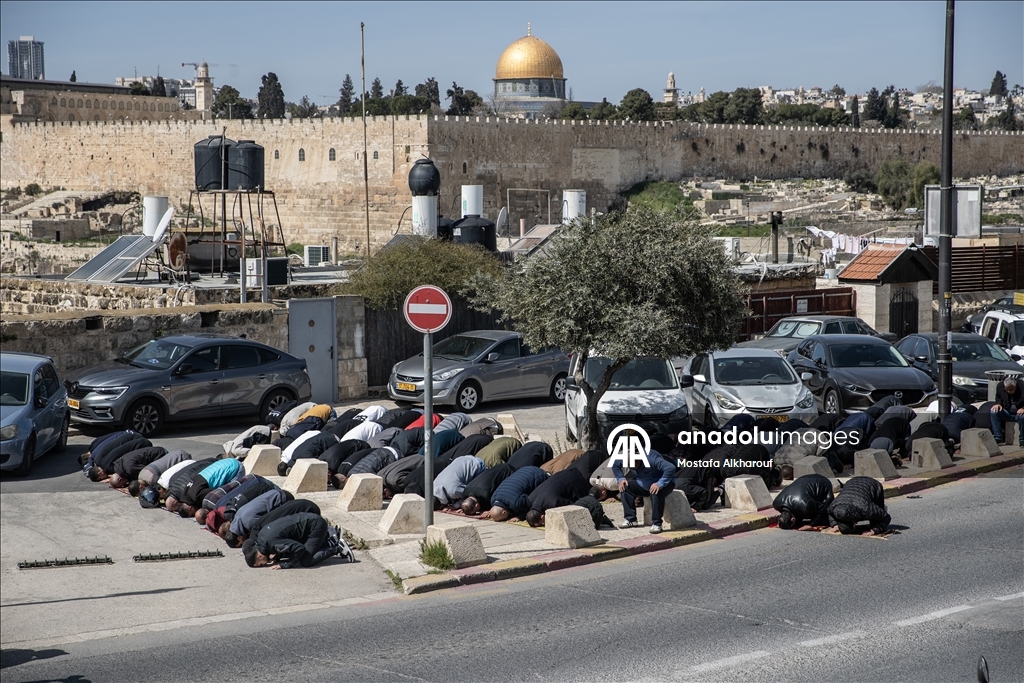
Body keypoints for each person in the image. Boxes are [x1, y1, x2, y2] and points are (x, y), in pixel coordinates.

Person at [244, 512, 352, 568]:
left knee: (306, 561)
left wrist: (286, 564)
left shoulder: (271, 543)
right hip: (308, 521)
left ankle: (339, 548)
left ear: (259, 555)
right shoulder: (262, 537)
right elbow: (284, 542)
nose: (265, 564)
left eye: (262, 564)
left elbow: (299, 548)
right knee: (296, 553)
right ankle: (331, 541)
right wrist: (279, 556)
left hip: (315, 526)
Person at [612, 447, 678, 533]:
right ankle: (631, 519)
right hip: (643, 482)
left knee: (655, 492)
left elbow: (671, 468)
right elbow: (614, 465)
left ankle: (657, 524)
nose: (631, 469)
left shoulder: (651, 459)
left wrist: (660, 483)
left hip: (664, 482)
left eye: (633, 467)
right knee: (625, 487)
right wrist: (620, 478)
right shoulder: (626, 458)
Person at [221, 488, 293, 547]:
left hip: (283, 499)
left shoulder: (249, 524)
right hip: (275, 492)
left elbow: (269, 527)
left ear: (239, 538)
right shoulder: (237, 517)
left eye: (241, 544)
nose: (244, 543)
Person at [524, 467, 591, 527]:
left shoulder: (553, 503)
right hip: (565, 472)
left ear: (542, 517)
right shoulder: (530, 499)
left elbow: (574, 505)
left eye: (542, 523)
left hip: (577, 480)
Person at [484, 465, 549, 521]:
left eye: (503, 519)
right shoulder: (493, 499)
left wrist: (520, 517)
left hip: (538, 475)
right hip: (524, 469)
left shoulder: (515, 503)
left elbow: (530, 503)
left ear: (504, 512)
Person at [990, 377, 1024, 446]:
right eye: (1007, 390)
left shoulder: (1022, 386)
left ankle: (1022, 439)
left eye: (1011, 389)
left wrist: (1023, 408)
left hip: (1019, 412)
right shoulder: (1000, 386)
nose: (1009, 391)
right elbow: (998, 397)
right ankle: (998, 437)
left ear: (1015, 386)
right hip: (1007, 411)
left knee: (1023, 417)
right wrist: (998, 404)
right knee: (993, 412)